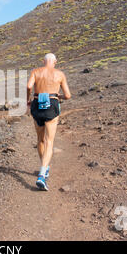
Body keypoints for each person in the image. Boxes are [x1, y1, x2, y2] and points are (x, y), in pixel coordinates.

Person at [26, 53, 71, 191]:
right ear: (55, 62)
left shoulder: (36, 71)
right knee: (49, 141)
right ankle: (42, 174)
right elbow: (68, 96)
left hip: (37, 102)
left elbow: (29, 87)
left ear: (43, 61)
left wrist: (28, 100)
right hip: (52, 103)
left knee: (40, 140)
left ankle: (44, 168)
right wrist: (59, 96)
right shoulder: (60, 74)